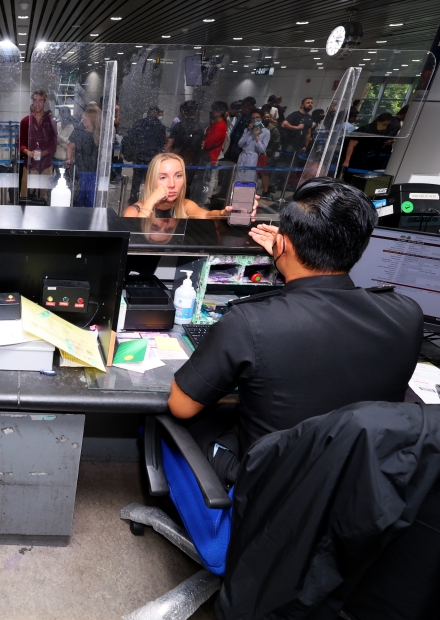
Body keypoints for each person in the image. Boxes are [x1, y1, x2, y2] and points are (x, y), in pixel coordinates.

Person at [165, 178, 422, 487]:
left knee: (180, 421)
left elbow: (181, 406)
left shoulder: (249, 322)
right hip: (358, 484)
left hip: (268, 488)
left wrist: (287, 249)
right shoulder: (406, 314)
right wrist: (291, 248)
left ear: (282, 244)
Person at [123, 152, 257, 219]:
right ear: (152, 180)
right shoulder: (133, 212)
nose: (172, 184)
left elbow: (207, 215)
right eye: (163, 177)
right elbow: (134, 236)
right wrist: (150, 201)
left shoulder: (185, 206)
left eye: (178, 176)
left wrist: (225, 213)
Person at [123, 105, 168, 204]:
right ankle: (149, 199)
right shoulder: (160, 127)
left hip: (138, 155)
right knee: (150, 179)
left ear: (148, 113)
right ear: (156, 114)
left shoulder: (138, 123)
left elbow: (132, 139)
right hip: (152, 157)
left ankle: (133, 197)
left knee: (136, 178)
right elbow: (162, 142)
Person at [18, 90, 57, 193]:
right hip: (30, 164)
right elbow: (20, 143)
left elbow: (53, 145)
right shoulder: (25, 121)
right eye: (35, 100)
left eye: (40, 100)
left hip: (46, 164)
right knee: (26, 196)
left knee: (44, 197)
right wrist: (29, 153)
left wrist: (43, 153)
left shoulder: (51, 122)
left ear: (44, 102)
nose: (37, 103)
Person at [65, 103, 102, 207]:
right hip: (80, 172)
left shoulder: (100, 134)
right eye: (84, 115)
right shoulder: (79, 130)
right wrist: (69, 159)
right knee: (78, 200)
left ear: (93, 118)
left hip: (94, 173)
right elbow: (70, 147)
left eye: (86, 116)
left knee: (91, 202)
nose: (84, 118)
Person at [165, 101, 204, 192]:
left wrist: (165, 158)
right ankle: (186, 201)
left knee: (176, 181)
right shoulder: (199, 128)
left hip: (177, 158)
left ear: (183, 111)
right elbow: (202, 145)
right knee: (189, 182)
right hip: (193, 160)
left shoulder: (177, 126)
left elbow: (169, 145)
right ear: (196, 111)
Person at [235, 110, 270, 184]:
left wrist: (257, 136)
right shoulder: (247, 130)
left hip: (253, 157)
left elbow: (262, 150)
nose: (255, 120)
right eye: (253, 118)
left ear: (262, 118)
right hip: (243, 156)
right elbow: (240, 144)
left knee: (249, 180)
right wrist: (248, 132)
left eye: (257, 117)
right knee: (238, 179)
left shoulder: (266, 132)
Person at [222, 97, 255, 164]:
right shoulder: (241, 115)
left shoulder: (253, 118)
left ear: (250, 106)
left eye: (244, 104)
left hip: (240, 149)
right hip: (232, 145)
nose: (241, 106)